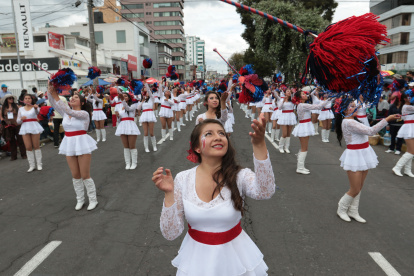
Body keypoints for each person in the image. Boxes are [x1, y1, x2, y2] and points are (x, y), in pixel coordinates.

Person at [152, 116, 275, 275]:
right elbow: (171, 233)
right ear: (197, 147)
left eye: (222, 133)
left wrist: (259, 145)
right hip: (196, 261)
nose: (218, 137)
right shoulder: (183, 178)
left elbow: (265, 191)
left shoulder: (240, 176)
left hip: (236, 259)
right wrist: (169, 194)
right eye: (209, 134)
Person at [335, 97, 400, 223]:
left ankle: (353, 211)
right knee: (354, 189)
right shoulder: (348, 122)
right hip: (354, 155)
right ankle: (341, 209)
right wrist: (387, 119)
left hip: (364, 153)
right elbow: (371, 131)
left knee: (359, 187)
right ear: (344, 109)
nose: (355, 107)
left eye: (355, 105)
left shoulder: (354, 120)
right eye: (351, 106)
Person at [47, 82, 98, 211]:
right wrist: (50, 89)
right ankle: (80, 199)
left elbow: (67, 109)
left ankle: (93, 199)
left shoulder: (84, 114)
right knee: (75, 174)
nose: (72, 98)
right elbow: (52, 102)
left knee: (85, 174)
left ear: (81, 103)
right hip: (69, 143)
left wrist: (55, 94)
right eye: (72, 97)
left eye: (76, 97)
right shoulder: (65, 114)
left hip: (82, 143)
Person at [291, 90, 329, 174]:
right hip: (304, 126)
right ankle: (300, 167)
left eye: (305, 93)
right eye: (303, 94)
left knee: (304, 148)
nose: (305, 94)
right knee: (304, 148)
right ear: (300, 97)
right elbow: (318, 107)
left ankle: (301, 166)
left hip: (305, 125)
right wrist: (328, 100)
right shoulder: (303, 105)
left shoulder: (302, 105)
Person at [17, 94, 44, 172]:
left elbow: (37, 113)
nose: (28, 99)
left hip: (34, 126)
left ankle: (39, 164)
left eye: (29, 98)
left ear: (31, 100)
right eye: (26, 98)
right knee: (28, 147)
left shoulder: (35, 107)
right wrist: (21, 119)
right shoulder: (21, 109)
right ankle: (31, 165)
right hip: (25, 127)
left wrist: (36, 108)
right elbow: (18, 121)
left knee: (36, 146)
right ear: (23, 100)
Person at [115, 92, 140, 170]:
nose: (124, 97)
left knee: (132, 146)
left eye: (125, 96)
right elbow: (119, 120)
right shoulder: (120, 107)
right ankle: (128, 163)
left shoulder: (132, 105)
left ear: (129, 98)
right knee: (126, 146)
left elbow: (128, 109)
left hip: (131, 125)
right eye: (123, 96)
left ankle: (134, 163)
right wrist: (118, 116)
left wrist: (122, 101)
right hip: (123, 126)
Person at [392, 91, 414, 177]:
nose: (411, 98)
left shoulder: (410, 106)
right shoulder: (406, 106)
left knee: (410, 150)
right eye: (409, 97)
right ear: (405, 99)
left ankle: (407, 170)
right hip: (408, 129)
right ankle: (397, 167)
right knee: (412, 151)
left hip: (412, 128)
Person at [0, 94, 26, 161]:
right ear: (6, 100)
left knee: (20, 140)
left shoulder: (16, 106)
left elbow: (20, 114)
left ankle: (23, 154)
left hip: (17, 124)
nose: (11, 99)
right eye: (9, 98)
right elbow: (1, 116)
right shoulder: (3, 107)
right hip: (8, 126)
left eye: (12, 98)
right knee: (11, 141)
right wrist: (3, 121)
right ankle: (13, 156)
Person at [140, 80, 158, 152]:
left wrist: (146, 84)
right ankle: (146, 147)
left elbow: (150, 92)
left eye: (147, 92)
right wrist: (141, 102)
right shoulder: (143, 100)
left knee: (151, 132)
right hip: (144, 115)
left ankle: (154, 146)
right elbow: (138, 108)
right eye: (146, 92)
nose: (147, 93)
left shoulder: (152, 99)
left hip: (150, 115)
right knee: (145, 133)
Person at [277, 88, 296, 153]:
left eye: (290, 91)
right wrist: (283, 101)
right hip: (284, 116)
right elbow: (279, 108)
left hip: (291, 116)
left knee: (288, 134)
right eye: (287, 91)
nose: (289, 92)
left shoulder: (293, 100)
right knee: (284, 134)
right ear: (285, 93)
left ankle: (286, 147)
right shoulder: (282, 99)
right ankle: (280, 147)